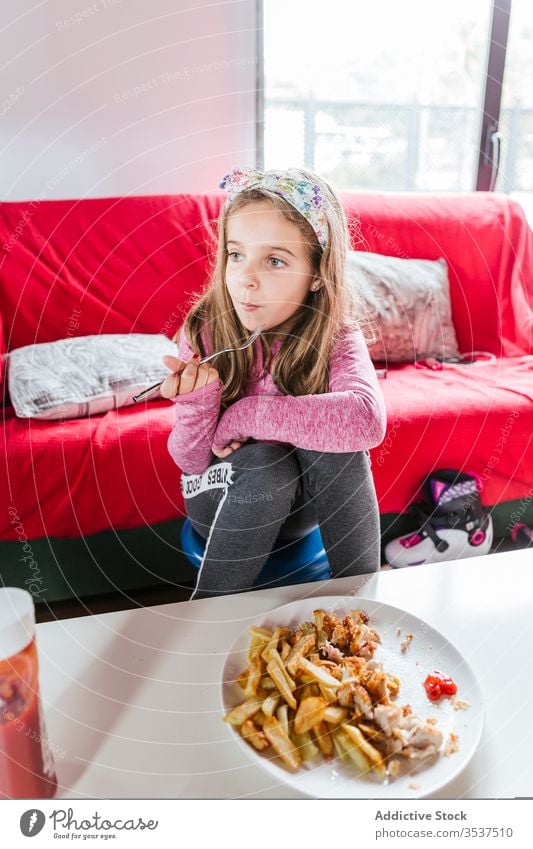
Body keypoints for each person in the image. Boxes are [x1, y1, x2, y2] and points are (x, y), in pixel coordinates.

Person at [161, 166, 387, 600]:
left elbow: (366, 420)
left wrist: (247, 415)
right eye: (236, 254)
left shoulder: (336, 334)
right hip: (219, 496)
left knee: (340, 443)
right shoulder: (205, 330)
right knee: (266, 464)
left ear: (318, 273)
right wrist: (199, 402)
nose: (246, 277)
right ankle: (204, 618)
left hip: (301, 510)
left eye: (275, 260)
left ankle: (360, 611)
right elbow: (190, 461)